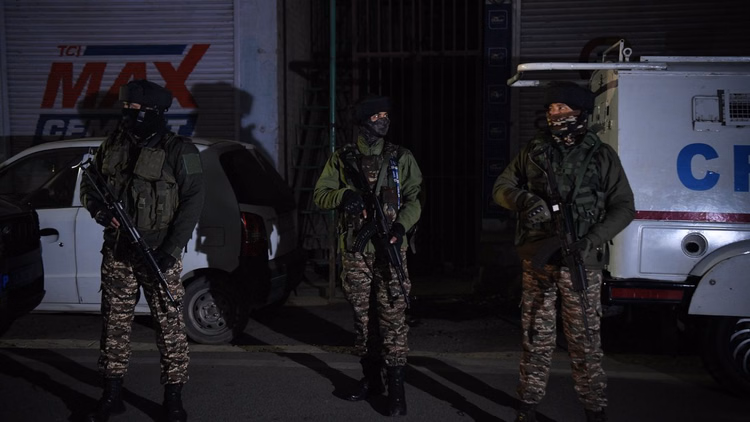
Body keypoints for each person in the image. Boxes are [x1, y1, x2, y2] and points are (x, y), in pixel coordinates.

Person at [493, 82, 635, 422]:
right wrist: (526, 200)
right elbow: (501, 187)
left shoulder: (601, 156)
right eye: (550, 109)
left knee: (585, 340)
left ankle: (594, 410)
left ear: (580, 112)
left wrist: (591, 240)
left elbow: (624, 207)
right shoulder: (535, 151)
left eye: (561, 108)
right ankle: (527, 406)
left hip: (580, 262)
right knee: (535, 337)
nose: (554, 114)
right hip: (539, 258)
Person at [80, 79, 205, 422]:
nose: (128, 114)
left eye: (135, 109)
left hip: (159, 251)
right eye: (126, 108)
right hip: (118, 251)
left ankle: (174, 398)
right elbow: (89, 184)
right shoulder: (113, 145)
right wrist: (98, 210)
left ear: (155, 112)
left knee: (169, 326)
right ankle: (111, 394)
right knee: (115, 325)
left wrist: (172, 249)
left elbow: (193, 202)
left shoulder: (180, 151)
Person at [313, 94, 422, 417]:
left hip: (391, 248)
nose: (383, 121)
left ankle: (397, 389)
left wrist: (401, 226)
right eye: (376, 117)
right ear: (363, 122)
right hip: (356, 251)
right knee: (363, 319)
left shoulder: (400, 157)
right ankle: (372, 380)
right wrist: (344, 195)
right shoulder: (342, 157)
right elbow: (321, 194)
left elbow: (414, 198)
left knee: (393, 319)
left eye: (386, 115)